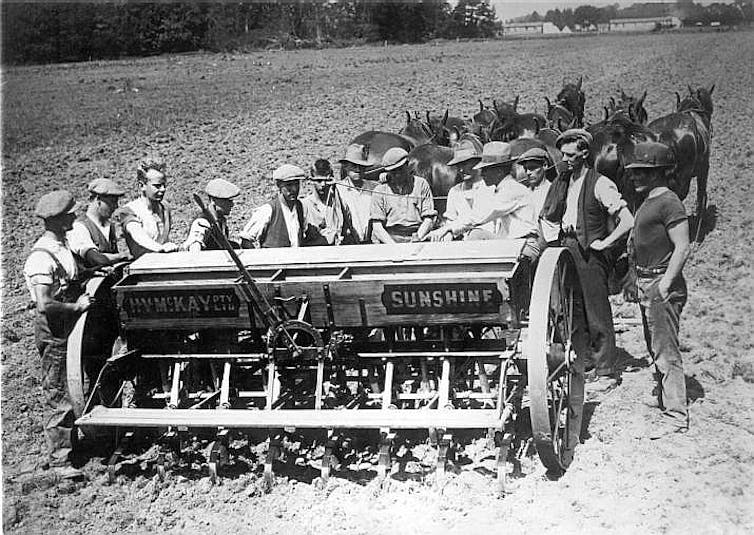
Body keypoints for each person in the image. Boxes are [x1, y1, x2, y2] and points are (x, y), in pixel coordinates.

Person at [542, 128, 634, 393]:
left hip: (590, 254)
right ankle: (587, 364)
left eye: (571, 154)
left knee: (597, 311)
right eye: (563, 154)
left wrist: (605, 243)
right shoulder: (564, 182)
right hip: (568, 248)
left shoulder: (601, 183)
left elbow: (627, 220)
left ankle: (606, 371)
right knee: (575, 310)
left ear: (584, 153)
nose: (565, 159)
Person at [23, 190, 93, 480]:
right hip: (54, 331)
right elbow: (45, 303)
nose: (75, 217)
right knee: (58, 395)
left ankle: (74, 446)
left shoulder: (62, 246)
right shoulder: (42, 257)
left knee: (75, 386)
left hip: (69, 326)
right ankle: (61, 462)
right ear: (57, 220)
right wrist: (76, 305)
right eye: (70, 214)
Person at [624, 141, 691, 437]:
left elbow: (682, 246)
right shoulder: (648, 199)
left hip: (661, 282)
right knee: (655, 346)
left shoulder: (669, 202)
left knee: (666, 350)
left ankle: (676, 415)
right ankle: (665, 399)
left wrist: (665, 284)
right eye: (635, 172)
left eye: (643, 172)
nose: (635, 177)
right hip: (646, 281)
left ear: (660, 173)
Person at [427, 142, 538, 259]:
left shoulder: (512, 190)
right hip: (510, 245)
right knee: (476, 236)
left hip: (524, 246)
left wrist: (446, 228)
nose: (482, 173)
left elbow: (480, 216)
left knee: (477, 235)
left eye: (485, 170)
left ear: (499, 171)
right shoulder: (501, 188)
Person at [241, 164, 319, 248]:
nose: (294, 189)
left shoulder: (300, 207)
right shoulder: (269, 210)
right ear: (279, 186)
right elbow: (246, 239)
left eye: (296, 184)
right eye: (289, 185)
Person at [370, 148, 436, 244]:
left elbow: (429, 219)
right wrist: (393, 246)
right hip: (389, 239)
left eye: (400, 170)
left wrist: (417, 237)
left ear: (407, 165)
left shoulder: (421, 184)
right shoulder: (380, 191)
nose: (397, 174)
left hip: (417, 236)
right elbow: (377, 226)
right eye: (393, 171)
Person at [119, 157, 178, 259]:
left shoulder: (165, 208)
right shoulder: (129, 211)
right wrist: (161, 248)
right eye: (157, 186)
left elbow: (164, 239)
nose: (163, 189)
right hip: (141, 266)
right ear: (142, 186)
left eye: (164, 185)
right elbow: (138, 235)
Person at [67, 178, 130, 268]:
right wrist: (125, 255)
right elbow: (97, 259)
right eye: (112, 202)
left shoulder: (109, 226)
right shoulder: (79, 228)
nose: (116, 206)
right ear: (98, 200)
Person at [440, 139, 495, 240]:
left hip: (489, 240)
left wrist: (451, 229)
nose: (461, 170)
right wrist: (447, 234)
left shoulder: (490, 187)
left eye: (465, 164)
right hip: (464, 243)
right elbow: (450, 220)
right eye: (458, 165)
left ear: (476, 162)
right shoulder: (455, 191)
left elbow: (478, 219)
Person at [301, 158, 357, 246]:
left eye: (326, 181)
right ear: (311, 181)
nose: (323, 185)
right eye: (319, 181)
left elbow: (348, 232)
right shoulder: (304, 206)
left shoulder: (340, 204)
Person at [514, 147, 560, 248]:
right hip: (526, 240)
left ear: (545, 166)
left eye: (532, 168)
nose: (528, 173)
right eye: (526, 169)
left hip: (548, 241)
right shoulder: (524, 193)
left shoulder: (553, 191)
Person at [182, 178, 241, 252]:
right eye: (227, 200)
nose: (232, 204)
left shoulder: (221, 221)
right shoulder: (202, 223)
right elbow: (194, 247)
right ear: (213, 200)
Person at [337, 144, 378, 244]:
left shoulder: (374, 188)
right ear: (346, 167)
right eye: (354, 166)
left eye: (362, 167)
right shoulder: (339, 188)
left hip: (371, 241)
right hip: (348, 241)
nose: (358, 170)